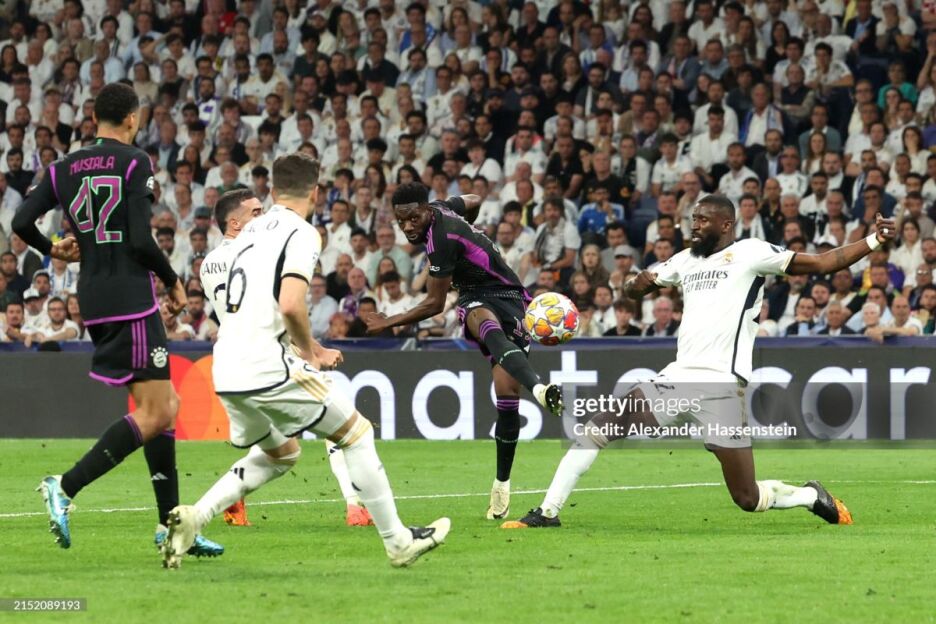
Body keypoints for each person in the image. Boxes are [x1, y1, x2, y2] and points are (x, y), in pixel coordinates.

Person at [502, 194, 897, 530]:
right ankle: (547, 512)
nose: (694, 226)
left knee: (747, 497)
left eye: (703, 220)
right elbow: (635, 288)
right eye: (692, 219)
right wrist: (636, 284)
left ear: (726, 224)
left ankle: (810, 496)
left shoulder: (751, 253)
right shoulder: (685, 260)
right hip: (677, 378)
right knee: (597, 429)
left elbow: (824, 262)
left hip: (722, 385)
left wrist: (873, 240)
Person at [163, 154, 449, 569]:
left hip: (225, 366)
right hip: (267, 364)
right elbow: (291, 304)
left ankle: (196, 517)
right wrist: (312, 350)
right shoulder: (302, 232)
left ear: (272, 191)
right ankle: (398, 541)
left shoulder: (249, 232)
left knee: (282, 454)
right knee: (356, 434)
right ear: (316, 193)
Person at [11, 83, 223, 557]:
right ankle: (64, 486)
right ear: (132, 118)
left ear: (94, 119)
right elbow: (141, 240)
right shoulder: (134, 162)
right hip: (130, 296)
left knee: (163, 405)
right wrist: (172, 281)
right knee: (157, 411)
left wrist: (54, 249)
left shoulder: (63, 167)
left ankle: (171, 526)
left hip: (94, 294)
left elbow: (21, 221)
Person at [363, 182, 563, 520]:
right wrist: (469, 233)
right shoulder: (443, 207)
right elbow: (474, 199)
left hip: (506, 296)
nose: (408, 226)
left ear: (426, 210)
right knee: (485, 326)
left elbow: (434, 303)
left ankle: (502, 480)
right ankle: (540, 390)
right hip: (485, 296)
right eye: (401, 221)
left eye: (413, 218)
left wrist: (389, 321)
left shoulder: (440, 241)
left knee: (506, 393)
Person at [201, 189, 374, 528]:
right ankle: (357, 506)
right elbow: (283, 306)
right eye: (256, 212)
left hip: (234, 357)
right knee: (344, 426)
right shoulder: (255, 253)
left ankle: (230, 494)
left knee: (281, 446)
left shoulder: (209, 263)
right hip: (274, 352)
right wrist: (313, 350)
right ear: (234, 223)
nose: (263, 217)